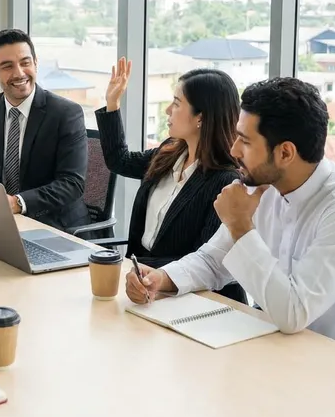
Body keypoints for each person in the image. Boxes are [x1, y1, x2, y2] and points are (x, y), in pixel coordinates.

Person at [125, 77, 335, 417]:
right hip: (280, 357)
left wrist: (243, 227)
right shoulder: (263, 188)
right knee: (177, 394)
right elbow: (210, 260)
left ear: (285, 152)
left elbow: (294, 312)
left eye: (245, 140)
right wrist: (160, 279)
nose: (234, 150)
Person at [98, 58, 241, 267]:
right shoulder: (170, 152)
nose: (167, 111)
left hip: (181, 289)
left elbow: (203, 262)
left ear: (200, 118)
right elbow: (120, 161)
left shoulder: (226, 181)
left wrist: (134, 269)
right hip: (141, 278)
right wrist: (113, 104)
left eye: (176, 103)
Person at [0, 28, 89, 232]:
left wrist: (17, 203)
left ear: (36, 63)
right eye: (7, 66)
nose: (19, 73)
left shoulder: (66, 113)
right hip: (1, 224)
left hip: (56, 227)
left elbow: (72, 184)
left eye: (25, 63)